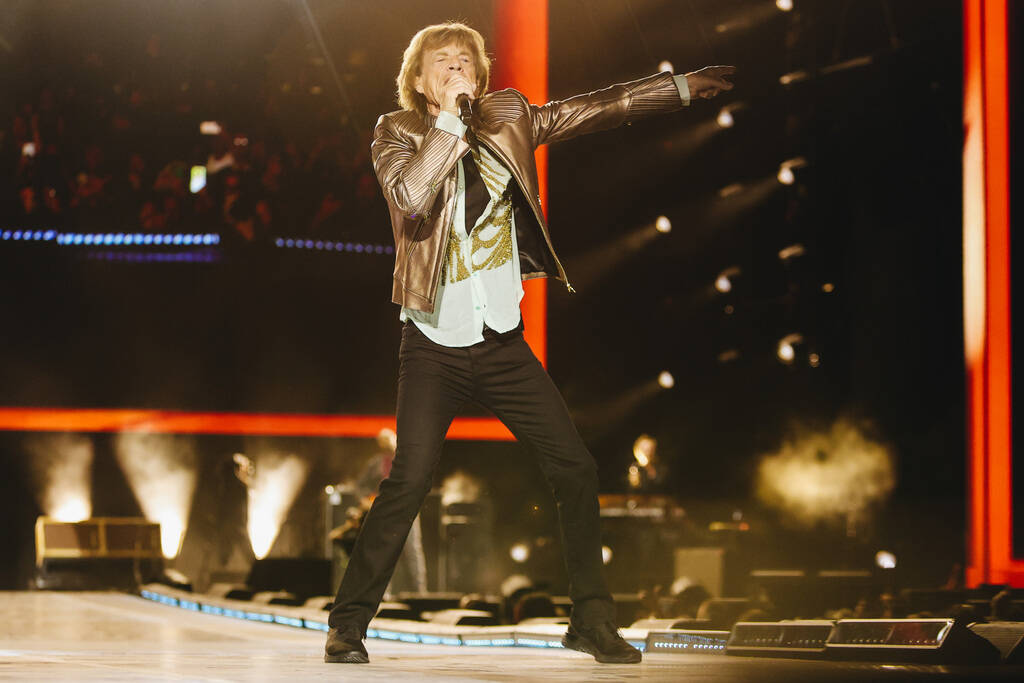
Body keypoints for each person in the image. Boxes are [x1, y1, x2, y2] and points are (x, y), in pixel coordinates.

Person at [325, 21, 733, 665]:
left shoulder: (509, 116)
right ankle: (348, 624)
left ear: (481, 75)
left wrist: (676, 88)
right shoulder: (395, 132)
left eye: (467, 59)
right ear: (421, 80)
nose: (457, 66)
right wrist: (451, 127)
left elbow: (596, 108)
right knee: (408, 481)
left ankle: (592, 622)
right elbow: (408, 198)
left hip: (501, 341)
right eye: (443, 60)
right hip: (434, 342)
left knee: (575, 467)